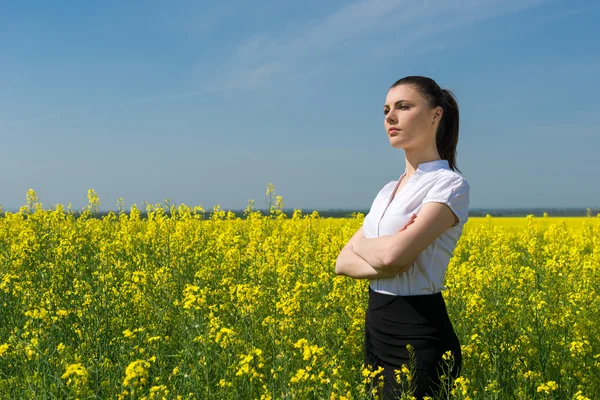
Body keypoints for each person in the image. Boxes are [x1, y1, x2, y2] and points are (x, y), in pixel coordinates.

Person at [335, 76, 469, 399]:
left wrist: (369, 249)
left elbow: (391, 256)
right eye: (386, 110)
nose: (390, 117)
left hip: (419, 334)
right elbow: (342, 261)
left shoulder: (449, 186)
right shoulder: (386, 192)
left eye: (403, 107)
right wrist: (387, 256)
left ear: (435, 115)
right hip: (376, 329)